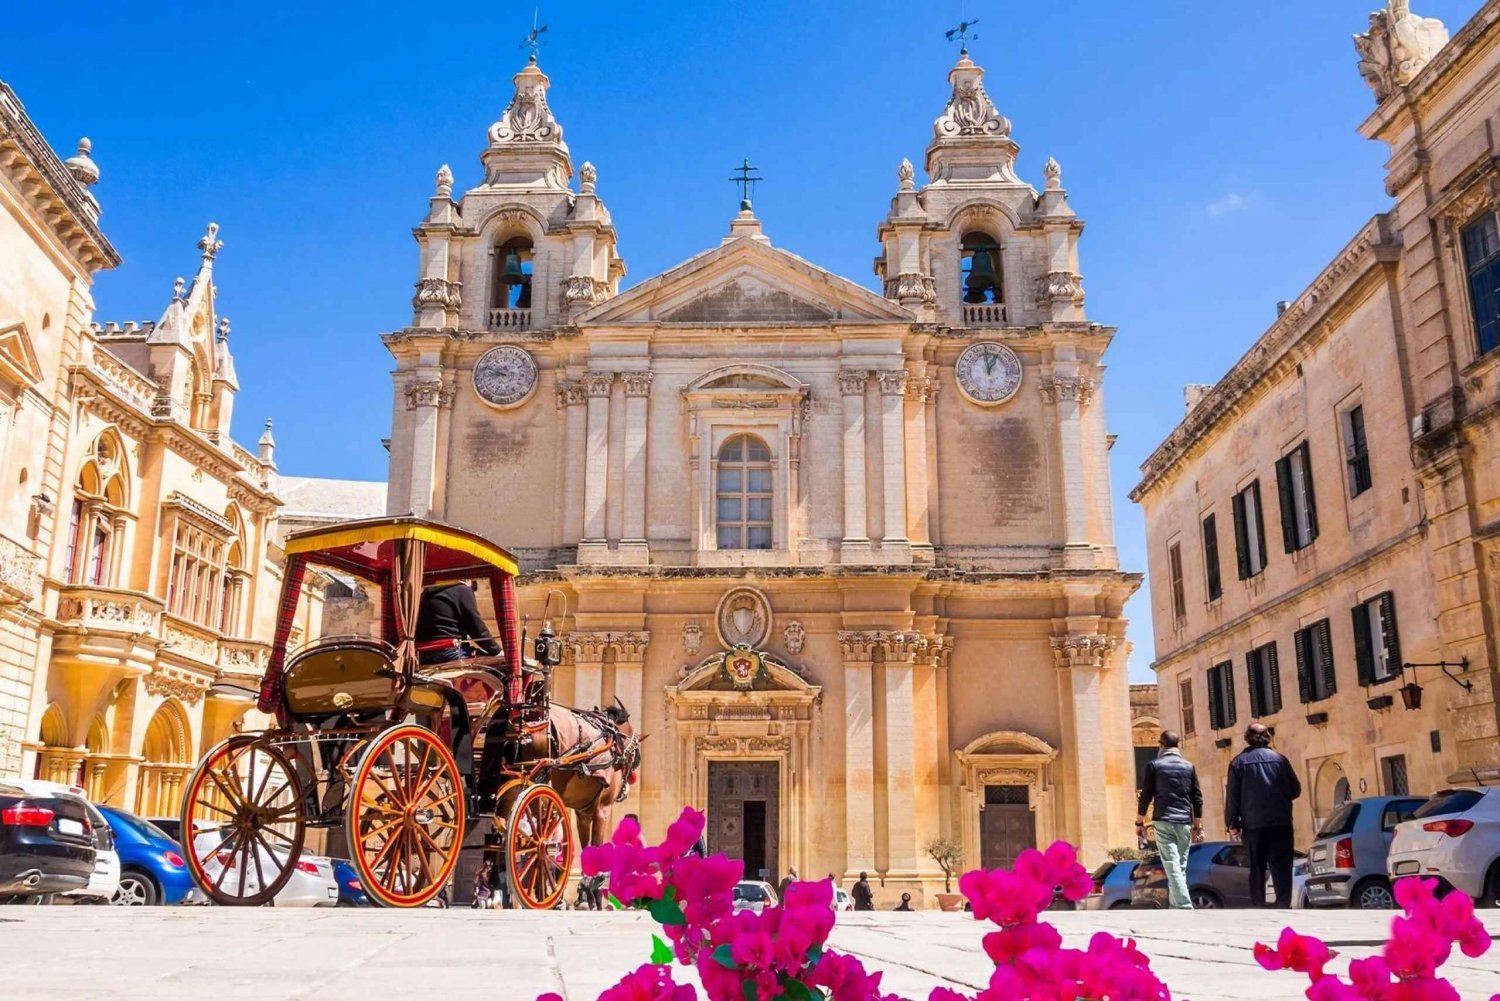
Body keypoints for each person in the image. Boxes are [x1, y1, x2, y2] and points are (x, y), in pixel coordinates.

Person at [1225, 722, 1302, 908]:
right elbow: (1295, 790)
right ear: (1268, 737)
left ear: (1247, 738)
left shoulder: (1238, 762)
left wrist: (1232, 822)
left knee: (1256, 866)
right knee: (1282, 865)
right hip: (1280, 822)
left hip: (1253, 824)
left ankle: (1258, 903)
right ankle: (1283, 902)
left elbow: (1233, 797)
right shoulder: (1280, 760)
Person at [1135, 729, 1204, 909]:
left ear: (1161, 744)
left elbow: (1146, 796)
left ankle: (1183, 904)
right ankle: (1175, 907)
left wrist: (1139, 821)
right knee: (1179, 865)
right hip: (1184, 821)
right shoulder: (1189, 766)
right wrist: (1198, 826)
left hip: (1164, 819)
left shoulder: (1154, 765)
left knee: (1173, 864)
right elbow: (1197, 798)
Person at [415, 580, 500, 664]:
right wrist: (497, 651)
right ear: (468, 578)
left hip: (422, 654)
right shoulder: (462, 590)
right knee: (497, 667)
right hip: (450, 652)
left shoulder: (425, 594)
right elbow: (476, 627)